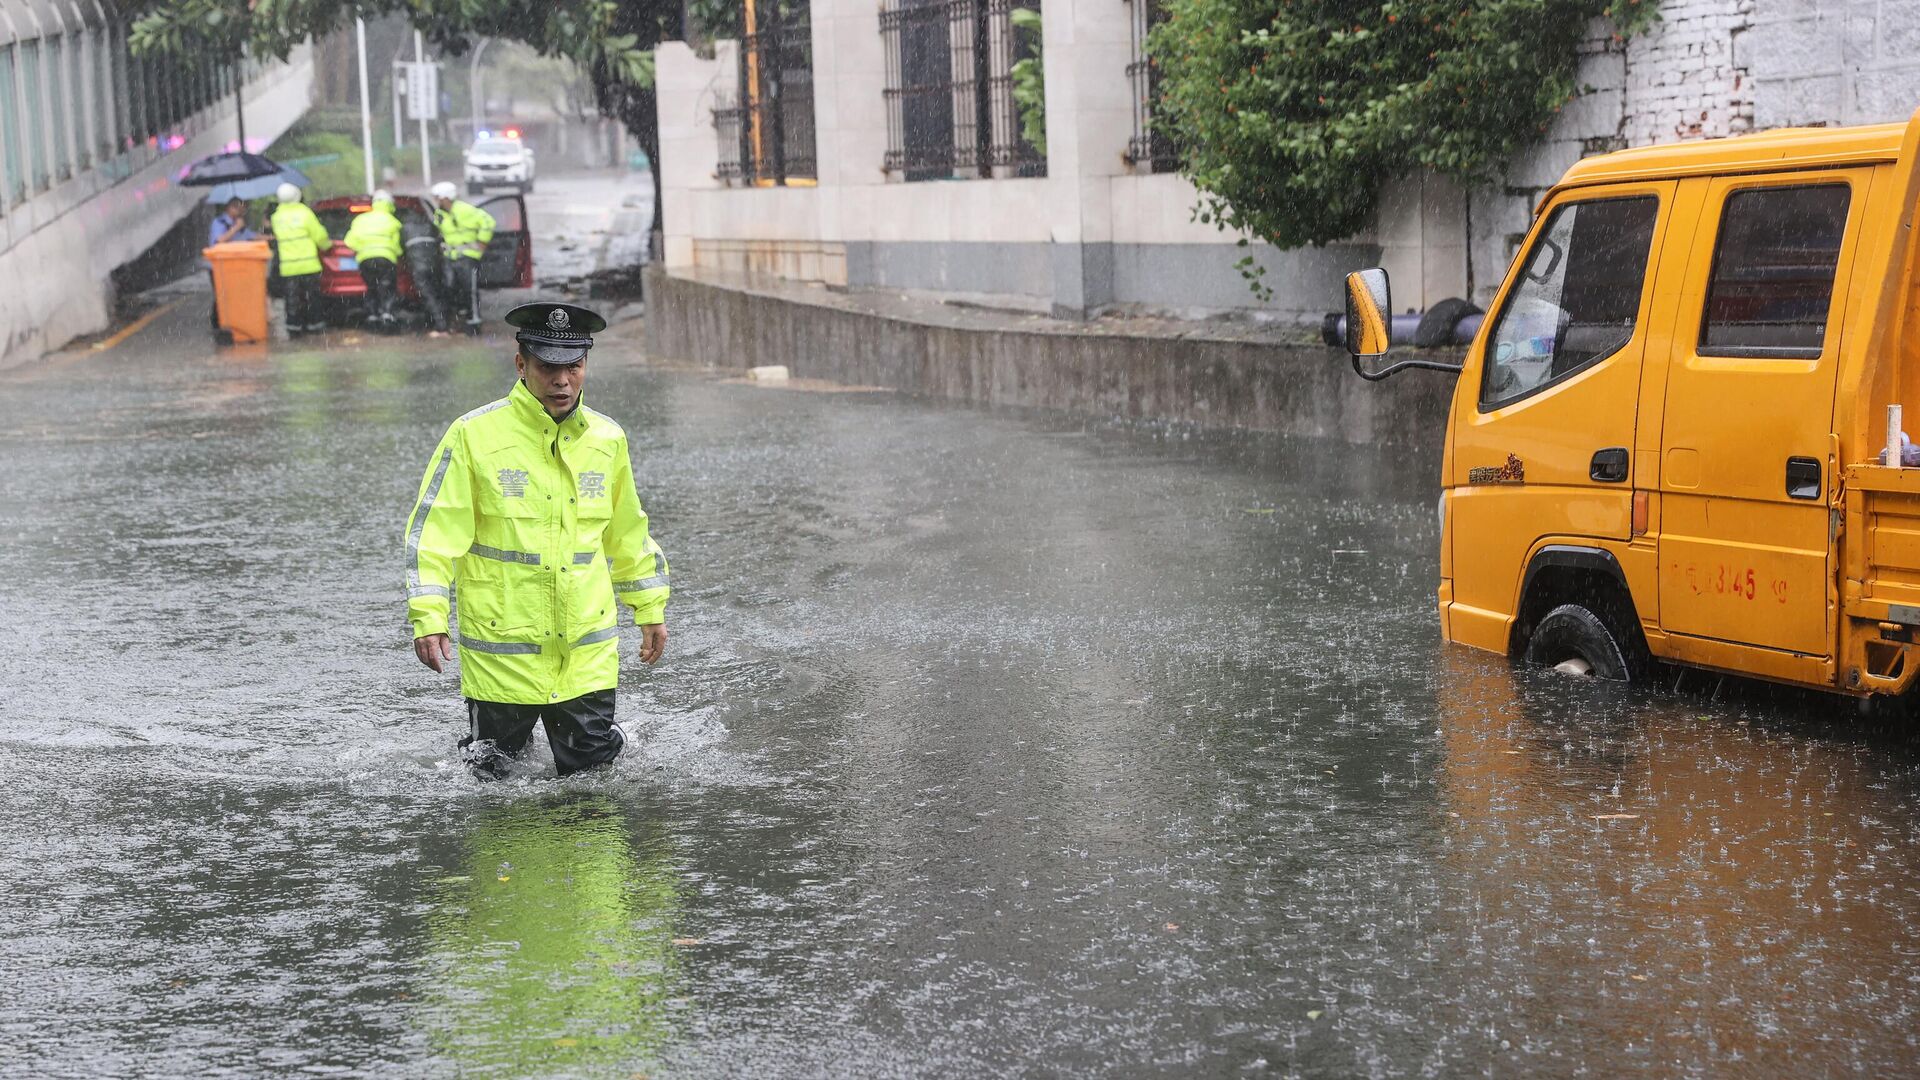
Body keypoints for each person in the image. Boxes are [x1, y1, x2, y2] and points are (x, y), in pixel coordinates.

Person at [404, 302, 670, 780]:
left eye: (575, 365)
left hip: (584, 655)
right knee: (493, 781)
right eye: (549, 366)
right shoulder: (473, 436)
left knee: (593, 782)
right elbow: (433, 535)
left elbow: (628, 532)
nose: (563, 380)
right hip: (503, 656)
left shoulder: (608, 439)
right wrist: (429, 617)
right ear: (521, 364)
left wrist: (649, 608)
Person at [431, 180, 495, 336]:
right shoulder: (439, 214)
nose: (435, 200)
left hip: (467, 256)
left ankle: (474, 322)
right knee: (450, 288)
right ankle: (459, 318)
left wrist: (482, 242)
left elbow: (488, 222)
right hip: (449, 257)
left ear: (445, 197)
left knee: (470, 290)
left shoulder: (465, 210)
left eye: (437, 197)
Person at [268, 182, 330, 336]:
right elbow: (319, 235)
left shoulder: (276, 218)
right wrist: (327, 246)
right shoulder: (305, 213)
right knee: (312, 297)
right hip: (309, 265)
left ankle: (294, 328)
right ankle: (314, 326)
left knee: (292, 299)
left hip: (289, 268)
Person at [344, 190, 403, 330]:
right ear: (390, 204)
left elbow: (349, 242)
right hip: (386, 259)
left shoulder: (360, 220)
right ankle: (387, 316)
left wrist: (364, 249)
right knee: (387, 288)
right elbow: (397, 246)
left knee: (371, 287)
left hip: (365, 260)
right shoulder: (393, 221)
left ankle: (372, 316)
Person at [205, 196, 257, 340]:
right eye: (237, 207)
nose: (241, 210)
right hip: (218, 266)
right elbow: (219, 241)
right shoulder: (219, 222)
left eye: (243, 207)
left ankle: (233, 324)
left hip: (234, 266)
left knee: (233, 295)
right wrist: (235, 228)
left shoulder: (238, 223)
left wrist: (270, 237)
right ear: (229, 207)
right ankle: (217, 325)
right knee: (221, 295)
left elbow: (250, 236)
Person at [401, 211, 452, 338]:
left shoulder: (404, 228)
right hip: (434, 265)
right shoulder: (430, 226)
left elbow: (400, 250)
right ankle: (442, 322)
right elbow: (441, 243)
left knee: (428, 295)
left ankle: (441, 327)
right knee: (436, 293)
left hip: (418, 267)